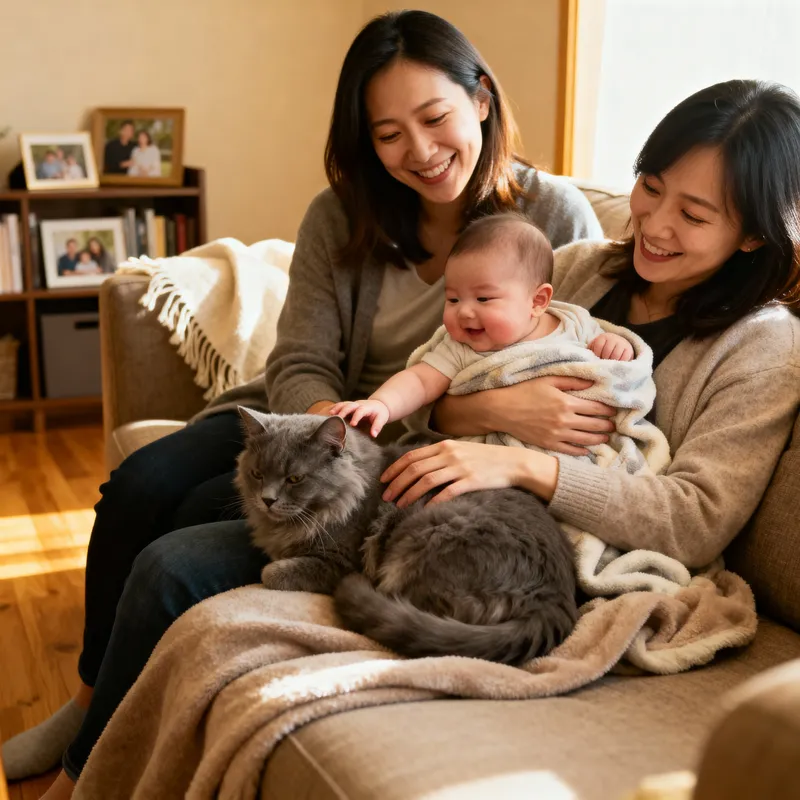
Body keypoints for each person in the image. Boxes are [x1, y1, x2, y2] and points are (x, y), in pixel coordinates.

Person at [1, 12, 603, 798]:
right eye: (388, 133)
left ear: (481, 100)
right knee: (144, 484)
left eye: (434, 118)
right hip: (314, 423)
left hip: (398, 465)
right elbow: (302, 361)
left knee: (181, 543)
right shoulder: (341, 213)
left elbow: (569, 377)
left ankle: (99, 749)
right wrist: (325, 432)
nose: (418, 152)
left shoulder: (556, 219)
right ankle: (89, 699)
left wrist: (422, 431)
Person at [331, 213, 634, 438]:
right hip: (488, 456)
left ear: (538, 301)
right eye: (452, 299)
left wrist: (616, 346)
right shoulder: (460, 348)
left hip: (573, 445)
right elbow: (420, 381)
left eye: (484, 298)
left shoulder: (574, 323)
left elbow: (612, 367)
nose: (464, 312)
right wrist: (381, 404)